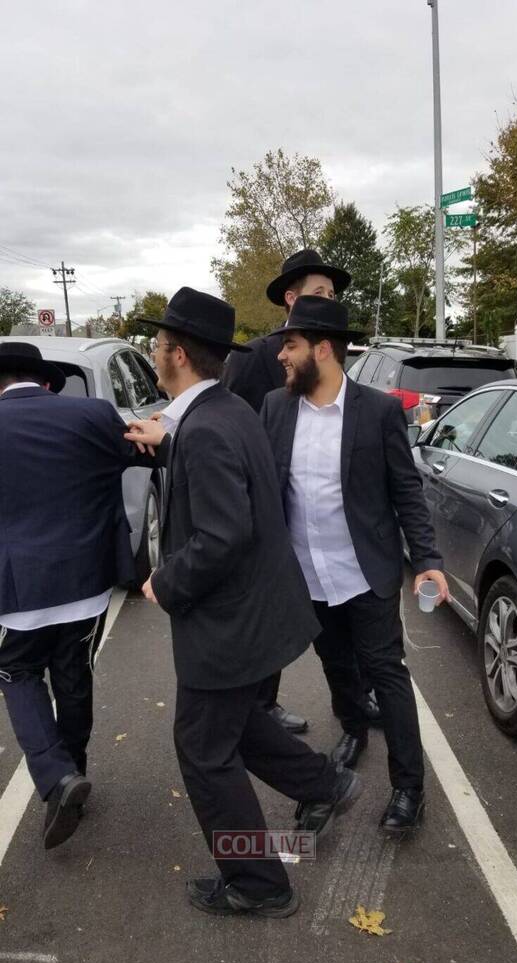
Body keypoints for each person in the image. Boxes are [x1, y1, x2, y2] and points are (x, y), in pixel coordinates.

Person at [125, 287, 362, 917]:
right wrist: (166, 444)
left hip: (229, 626)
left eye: (157, 344)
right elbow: (229, 477)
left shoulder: (206, 427)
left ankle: (259, 882)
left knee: (203, 749)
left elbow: (223, 535)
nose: (154, 353)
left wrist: (165, 581)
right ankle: (325, 783)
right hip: (257, 616)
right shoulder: (227, 411)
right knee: (236, 725)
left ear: (177, 354)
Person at [261, 296, 449, 832]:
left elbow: (406, 490)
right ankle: (353, 730)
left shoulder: (378, 411)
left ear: (322, 349)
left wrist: (428, 559)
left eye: (290, 345)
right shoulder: (276, 408)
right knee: (337, 666)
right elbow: (251, 473)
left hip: (365, 571)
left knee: (387, 674)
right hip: (306, 575)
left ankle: (409, 787)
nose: (281, 356)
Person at [0, 341, 154, 850]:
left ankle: (57, 775)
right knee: (73, 675)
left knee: (16, 672)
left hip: (17, 589)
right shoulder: (92, 415)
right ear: (47, 383)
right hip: (88, 582)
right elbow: (147, 452)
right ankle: (75, 775)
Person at [224, 249, 380, 733]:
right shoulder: (255, 358)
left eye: (332, 293)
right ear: (291, 298)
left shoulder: (331, 350)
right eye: (319, 291)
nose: (329, 299)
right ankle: (263, 707)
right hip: (276, 523)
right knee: (273, 621)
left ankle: (354, 704)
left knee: (345, 630)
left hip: (334, 530)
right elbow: (225, 424)